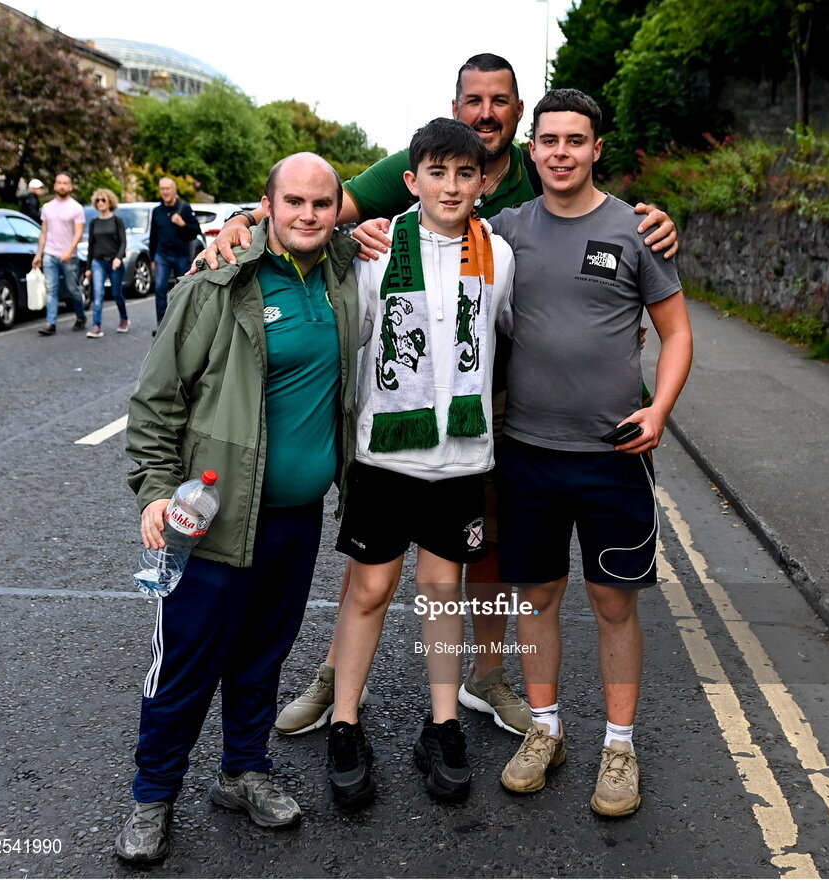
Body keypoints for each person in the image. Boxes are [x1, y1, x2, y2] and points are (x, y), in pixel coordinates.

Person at [196, 54, 680, 741]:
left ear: (517, 118)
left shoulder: (531, 178)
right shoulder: (419, 162)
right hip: (410, 403)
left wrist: (645, 225)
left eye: (501, 101)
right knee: (374, 571)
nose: (486, 112)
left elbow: (582, 241)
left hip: (502, 405)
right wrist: (248, 218)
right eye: (474, 100)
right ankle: (338, 678)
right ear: (454, 112)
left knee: (479, 552)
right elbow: (325, 205)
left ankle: (483, 675)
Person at [116, 153, 360, 865]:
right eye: (293, 202)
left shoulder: (344, 273)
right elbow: (157, 400)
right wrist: (156, 490)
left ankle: (243, 772)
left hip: (296, 516)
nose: (308, 215)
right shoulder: (216, 284)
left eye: (322, 203)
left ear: (336, 209)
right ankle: (152, 795)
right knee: (187, 661)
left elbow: (427, 176)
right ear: (268, 205)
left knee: (263, 654)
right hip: (213, 518)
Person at [485, 89, 692, 817]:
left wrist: (660, 408)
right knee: (538, 597)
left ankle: (619, 744)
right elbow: (432, 231)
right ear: (531, 150)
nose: (562, 152)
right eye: (549, 141)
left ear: (596, 147)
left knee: (613, 603)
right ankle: (545, 730)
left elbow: (677, 333)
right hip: (528, 454)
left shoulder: (637, 229)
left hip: (613, 454)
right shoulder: (506, 230)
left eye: (576, 139)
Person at [325, 118, 514, 808]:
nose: (452, 186)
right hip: (384, 457)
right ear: (412, 181)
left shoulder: (498, 252)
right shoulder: (375, 250)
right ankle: (344, 723)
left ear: (483, 183)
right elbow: (354, 343)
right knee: (370, 591)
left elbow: (510, 334)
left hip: (461, 460)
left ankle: (443, 723)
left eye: (466, 174)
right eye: (437, 172)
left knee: (442, 589)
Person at [32, 172, 86, 335]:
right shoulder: (47, 207)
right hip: (50, 253)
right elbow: (44, 232)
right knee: (51, 289)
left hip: (69, 256)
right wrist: (38, 254)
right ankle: (50, 323)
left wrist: (69, 251)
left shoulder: (76, 208)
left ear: (70, 187)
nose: (62, 186)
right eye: (59, 183)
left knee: (73, 289)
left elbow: (78, 233)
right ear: (55, 186)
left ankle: (81, 316)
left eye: (65, 183)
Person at [149, 177, 201, 329]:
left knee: (182, 289)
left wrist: (183, 224)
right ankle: (161, 324)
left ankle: (182, 322)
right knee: (159, 288)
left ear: (174, 190)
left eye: (167, 188)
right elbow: (153, 236)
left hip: (181, 254)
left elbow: (195, 231)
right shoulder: (157, 211)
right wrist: (152, 258)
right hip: (162, 254)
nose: (165, 192)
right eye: (162, 189)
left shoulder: (184, 208)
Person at [84, 189, 130, 337]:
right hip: (98, 262)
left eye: (103, 200)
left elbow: (123, 242)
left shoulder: (117, 221)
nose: (100, 203)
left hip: (114, 262)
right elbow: (91, 245)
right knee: (98, 293)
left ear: (110, 202)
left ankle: (124, 319)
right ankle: (96, 326)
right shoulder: (94, 222)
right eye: (97, 200)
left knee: (117, 293)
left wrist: (118, 257)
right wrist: (88, 267)